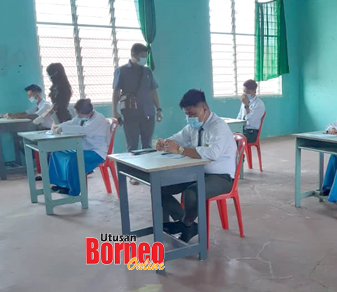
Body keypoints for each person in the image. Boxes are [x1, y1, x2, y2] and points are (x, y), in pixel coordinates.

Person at [157, 89, 237, 242]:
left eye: (193, 114)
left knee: (192, 193)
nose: (190, 118)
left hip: (221, 177)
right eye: (187, 114)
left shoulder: (218, 127)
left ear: (204, 109)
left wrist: (180, 150)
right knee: (161, 188)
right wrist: (165, 143)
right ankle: (186, 222)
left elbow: (213, 153)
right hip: (197, 173)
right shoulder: (193, 126)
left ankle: (185, 224)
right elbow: (178, 138)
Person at [112, 43, 162, 185]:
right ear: (133, 55)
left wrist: (159, 109)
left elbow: (153, 91)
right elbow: (116, 92)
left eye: (145, 57)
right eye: (142, 57)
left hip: (148, 111)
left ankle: (147, 172)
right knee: (132, 144)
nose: (144, 60)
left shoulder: (147, 72)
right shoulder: (121, 71)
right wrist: (114, 111)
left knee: (147, 143)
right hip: (130, 112)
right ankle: (133, 174)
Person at [48, 99, 109, 196]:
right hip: (84, 148)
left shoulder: (98, 118)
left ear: (86, 112)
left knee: (74, 159)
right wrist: (58, 126)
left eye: (79, 114)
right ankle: (61, 184)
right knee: (57, 153)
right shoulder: (83, 117)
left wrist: (63, 128)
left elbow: (85, 130)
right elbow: (71, 123)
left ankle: (73, 190)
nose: (78, 116)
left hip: (97, 152)